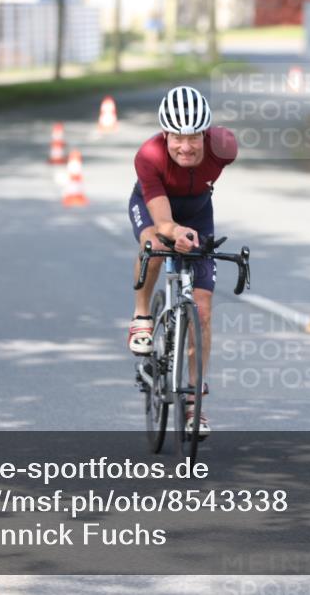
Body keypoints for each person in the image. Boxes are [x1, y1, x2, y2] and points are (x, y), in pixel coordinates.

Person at [127, 85, 238, 438]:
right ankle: (142, 315)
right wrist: (174, 233)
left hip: (199, 212)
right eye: (177, 138)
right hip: (155, 208)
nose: (186, 147)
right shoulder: (149, 156)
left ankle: (195, 402)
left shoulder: (224, 147)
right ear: (165, 134)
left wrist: (191, 234)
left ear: (206, 135)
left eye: (194, 138)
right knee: (153, 244)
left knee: (202, 309)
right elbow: (162, 224)